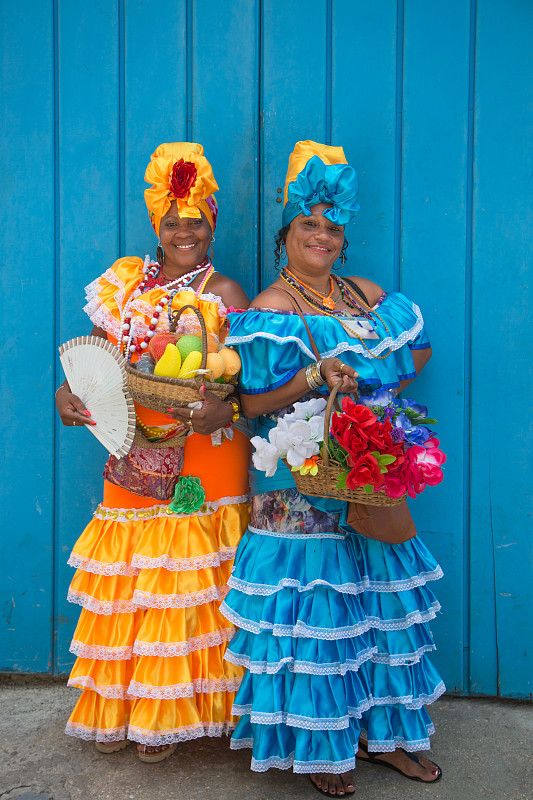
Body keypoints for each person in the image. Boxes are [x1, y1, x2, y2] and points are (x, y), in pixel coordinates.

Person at [219, 141, 444, 796]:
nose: (321, 235)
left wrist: (372, 403)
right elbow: (248, 403)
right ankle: (323, 747)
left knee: (385, 603)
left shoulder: (366, 294)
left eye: (331, 226)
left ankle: (387, 738)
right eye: (307, 225)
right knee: (316, 616)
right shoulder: (272, 308)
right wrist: (314, 380)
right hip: (296, 480)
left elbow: (416, 353)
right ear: (284, 233)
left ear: (343, 237)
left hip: (366, 469)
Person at [55, 142, 251, 762]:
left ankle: (195, 711)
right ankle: (144, 709)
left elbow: (245, 378)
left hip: (205, 451)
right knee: (142, 580)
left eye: (195, 220)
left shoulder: (226, 291)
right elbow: (93, 359)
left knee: (194, 578)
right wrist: (66, 389)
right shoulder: (124, 285)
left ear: (211, 224)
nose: (183, 231)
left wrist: (229, 405)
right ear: (156, 226)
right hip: (134, 449)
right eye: (172, 221)